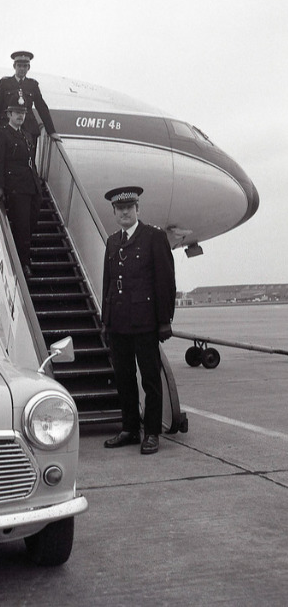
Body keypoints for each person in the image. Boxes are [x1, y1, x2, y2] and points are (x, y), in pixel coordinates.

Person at [101, 186, 176, 455]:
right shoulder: (112, 241)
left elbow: (166, 281)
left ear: (137, 209)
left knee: (150, 379)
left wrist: (165, 320)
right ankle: (130, 429)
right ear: (114, 213)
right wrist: (105, 320)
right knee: (124, 378)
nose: (124, 212)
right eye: (119, 209)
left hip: (145, 323)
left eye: (129, 208)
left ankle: (152, 432)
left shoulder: (154, 237)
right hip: (119, 323)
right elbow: (108, 284)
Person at [0, 105, 41, 279]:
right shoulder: (1, 134)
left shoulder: (25, 135)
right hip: (16, 187)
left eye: (23, 113)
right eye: (17, 113)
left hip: (31, 185)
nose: (20, 116)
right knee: (22, 226)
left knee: (31, 222)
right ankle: (23, 263)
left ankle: (24, 256)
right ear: (9, 114)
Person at [0, 51, 61, 145]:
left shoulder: (33, 85)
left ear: (28, 68)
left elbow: (42, 107)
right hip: (7, 127)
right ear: (14, 66)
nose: (22, 69)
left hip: (28, 130)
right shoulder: (5, 83)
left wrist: (52, 131)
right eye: (19, 66)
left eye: (25, 66)